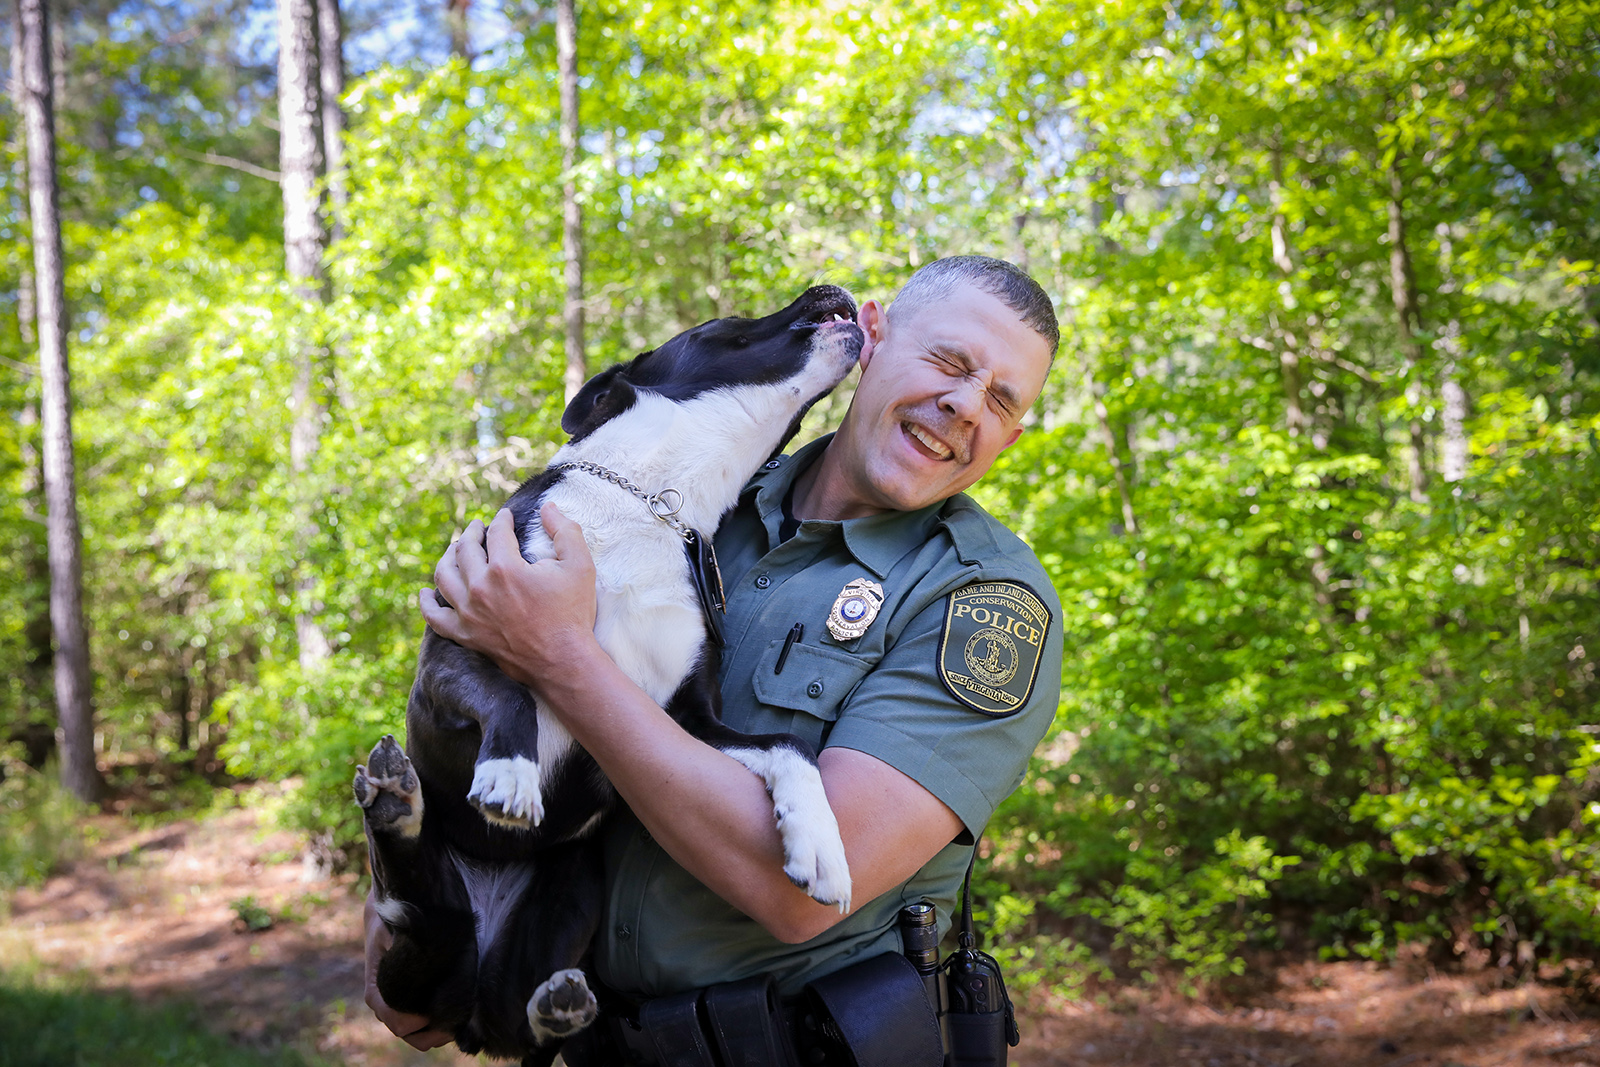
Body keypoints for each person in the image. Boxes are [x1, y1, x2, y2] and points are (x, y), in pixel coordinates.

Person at [364, 255, 1065, 1059]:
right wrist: (403, 890)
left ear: (1009, 435)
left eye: (1001, 397)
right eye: (949, 360)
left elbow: (799, 894)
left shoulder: (982, 602)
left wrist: (561, 655)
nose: (963, 403)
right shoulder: (685, 497)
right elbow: (480, 686)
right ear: (871, 334)